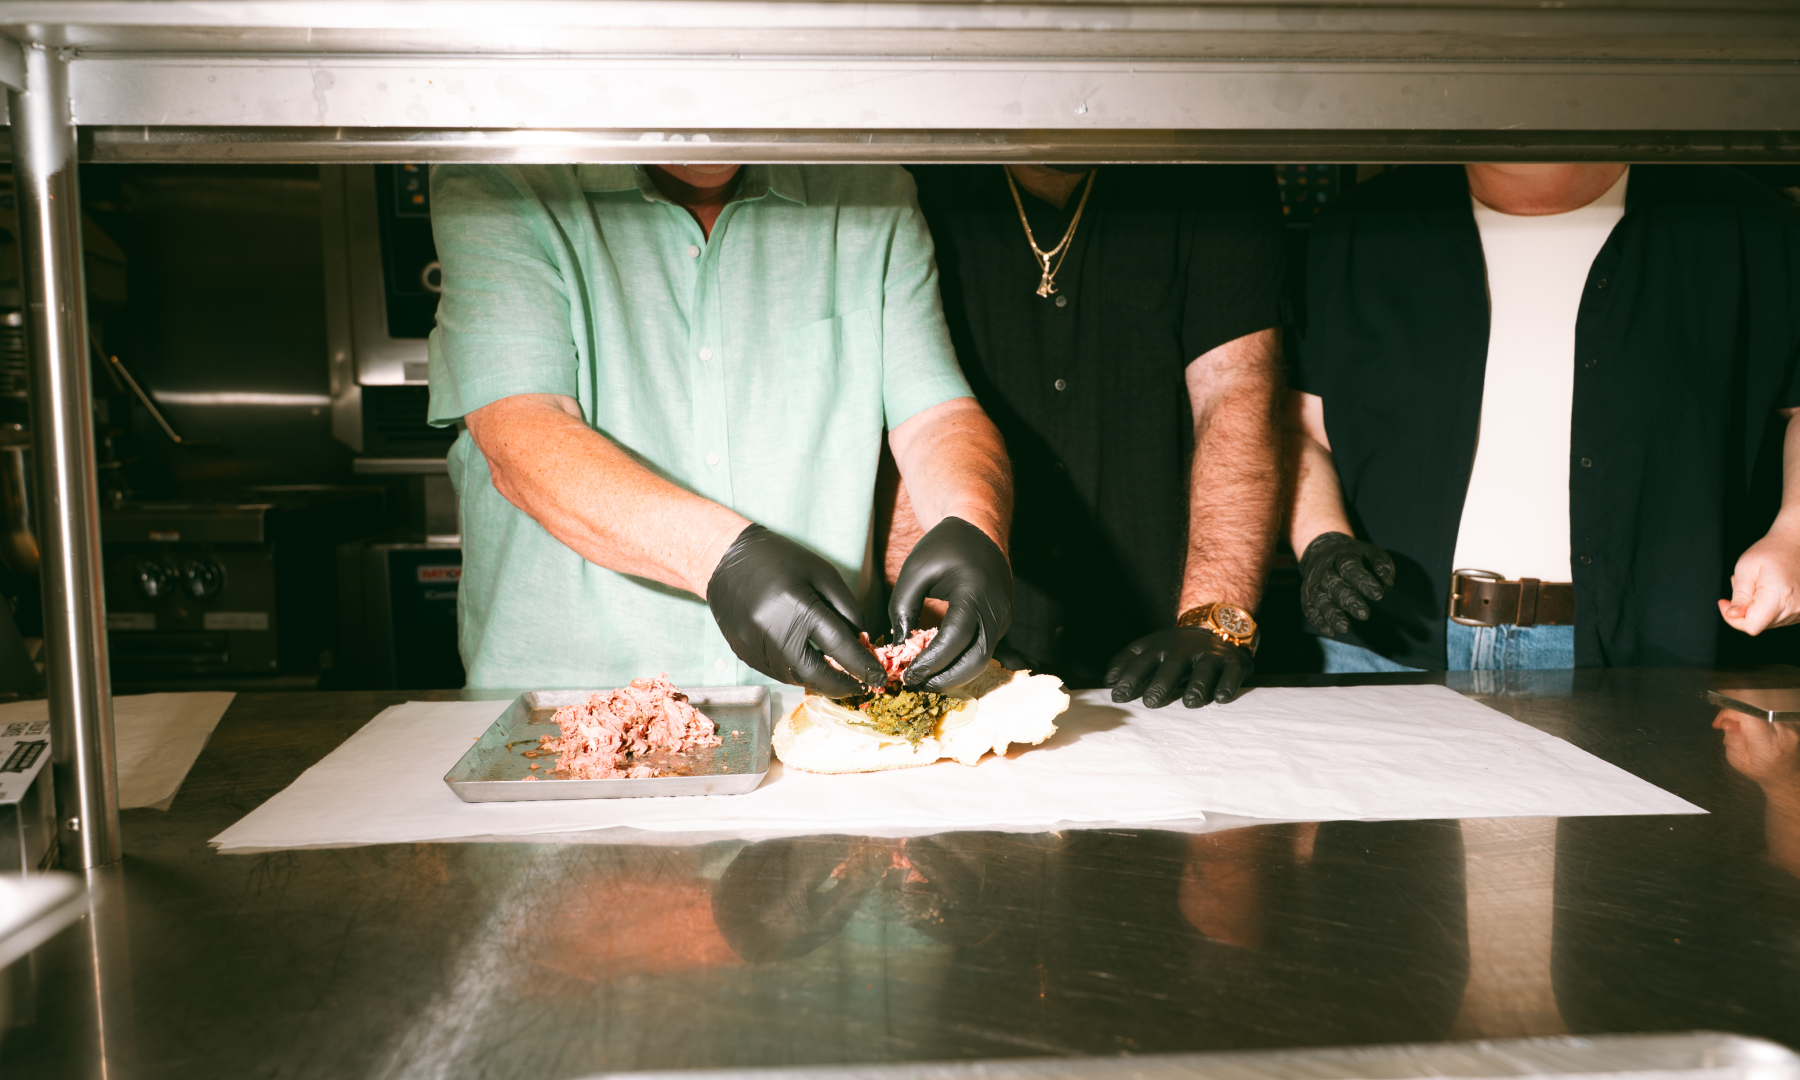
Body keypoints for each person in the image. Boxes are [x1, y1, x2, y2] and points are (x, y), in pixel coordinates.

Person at [427, 162, 1013, 694]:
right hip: (564, 704)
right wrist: (721, 557)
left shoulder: (872, 189)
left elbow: (936, 414)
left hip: (813, 704)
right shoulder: (503, 172)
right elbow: (521, 432)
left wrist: (974, 521)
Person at [1287, 163, 1800, 672]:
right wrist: (1322, 542)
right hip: (1377, 646)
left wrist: (1795, 536)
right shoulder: (1360, 224)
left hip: (1644, 659)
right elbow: (1302, 427)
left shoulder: (1742, 221)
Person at [893, 163, 1288, 708]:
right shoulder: (912, 173)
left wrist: (1212, 619)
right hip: (981, 631)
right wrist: (932, 631)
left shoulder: (1217, 169)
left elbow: (1238, 391)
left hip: (1162, 644)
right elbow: (906, 411)